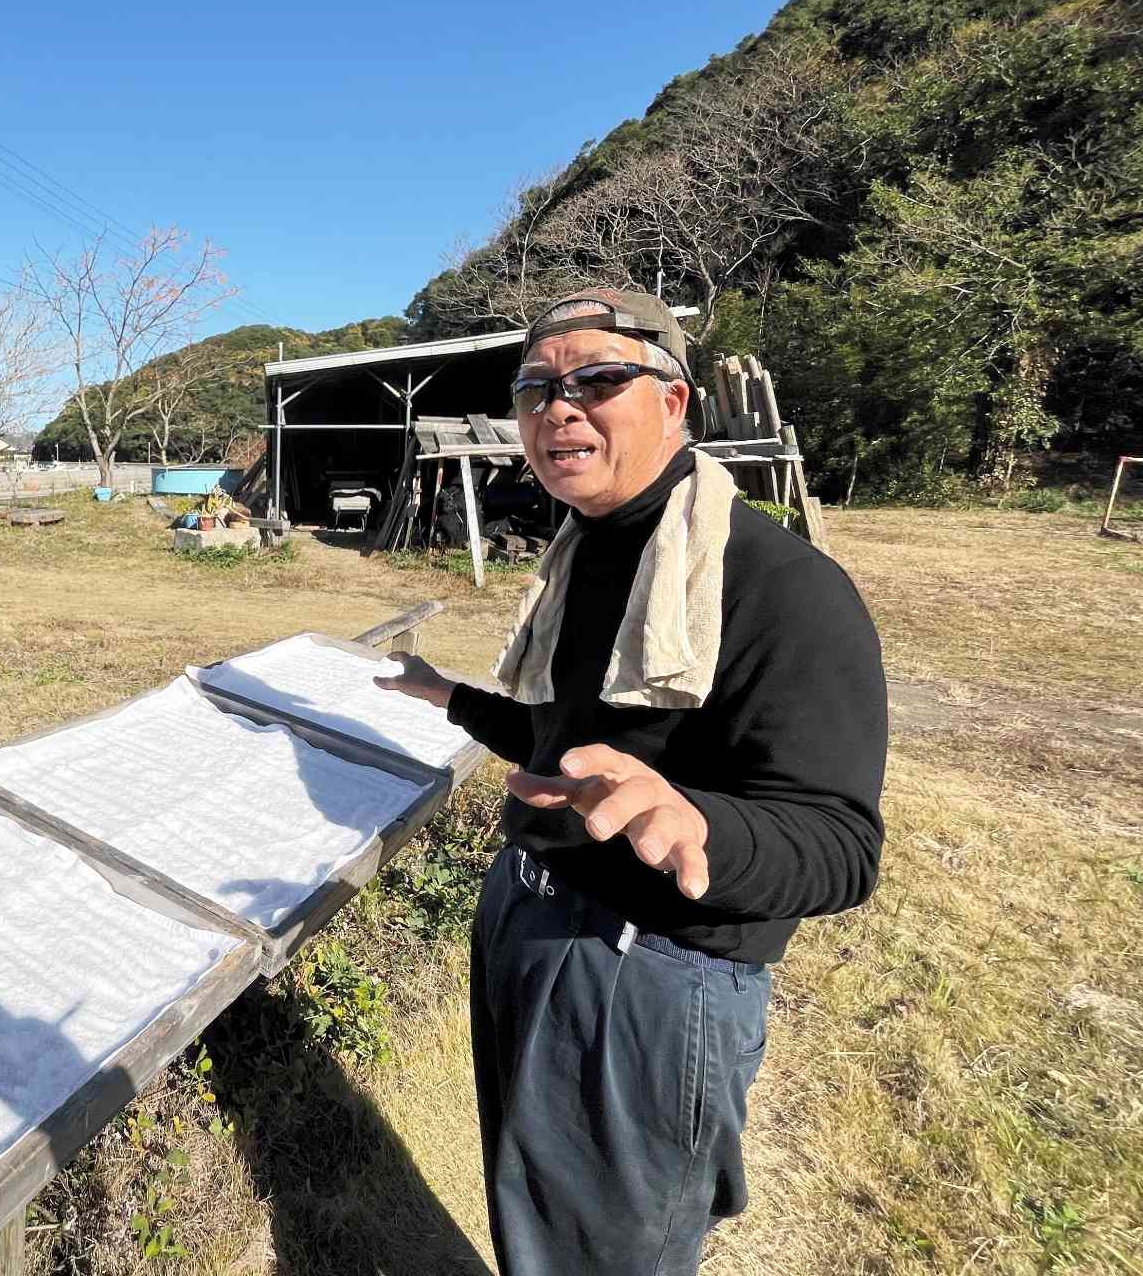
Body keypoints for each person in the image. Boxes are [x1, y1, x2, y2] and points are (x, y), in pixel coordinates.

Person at [376, 289, 886, 1275]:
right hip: (527, 915)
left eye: (599, 379)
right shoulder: (586, 557)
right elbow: (556, 735)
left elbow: (839, 841)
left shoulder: (778, 585)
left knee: (604, 1255)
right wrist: (446, 696)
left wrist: (702, 822)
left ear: (676, 402)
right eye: (536, 388)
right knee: (537, 1222)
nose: (559, 408)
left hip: (646, 971)